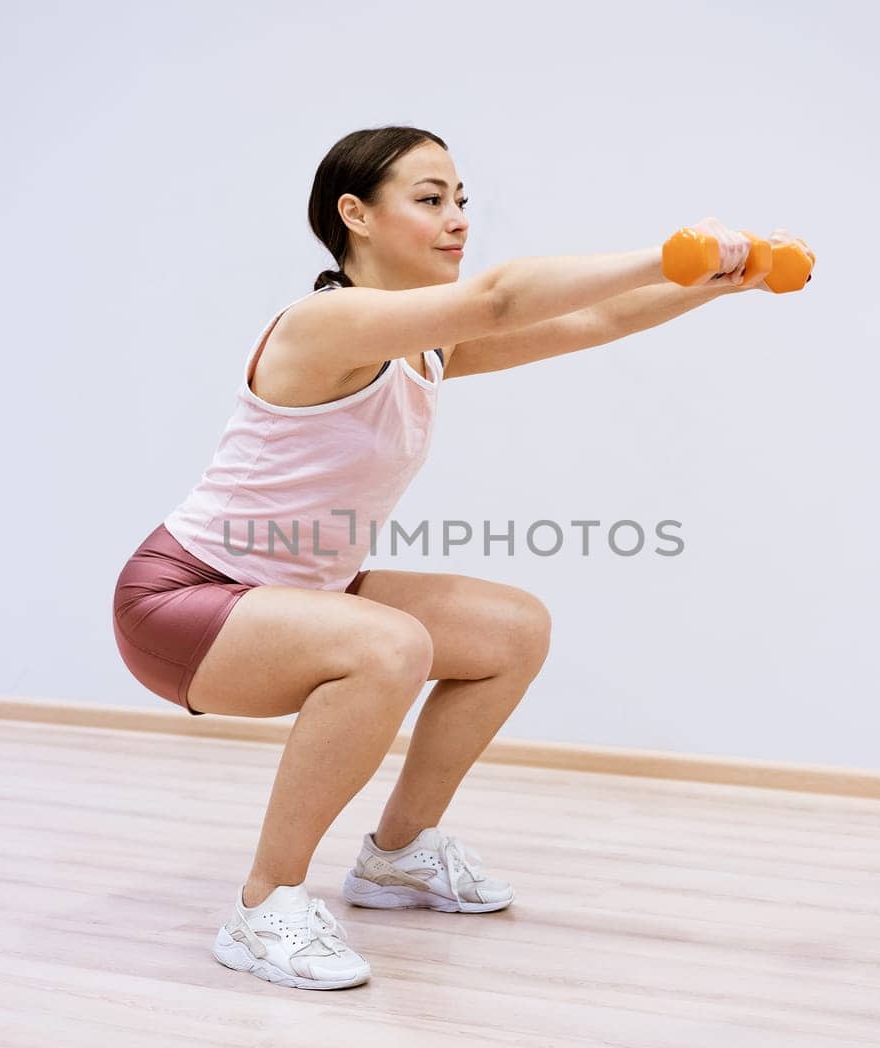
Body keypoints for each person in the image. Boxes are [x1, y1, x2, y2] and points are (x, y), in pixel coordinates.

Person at [111, 125, 776, 990]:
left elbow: (593, 319)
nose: (458, 218)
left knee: (509, 630)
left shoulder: (425, 343)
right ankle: (264, 905)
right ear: (355, 215)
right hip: (184, 599)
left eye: (460, 199)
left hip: (301, 590)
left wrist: (719, 282)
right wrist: (665, 253)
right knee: (389, 644)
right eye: (430, 199)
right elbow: (501, 298)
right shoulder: (327, 322)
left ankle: (396, 856)